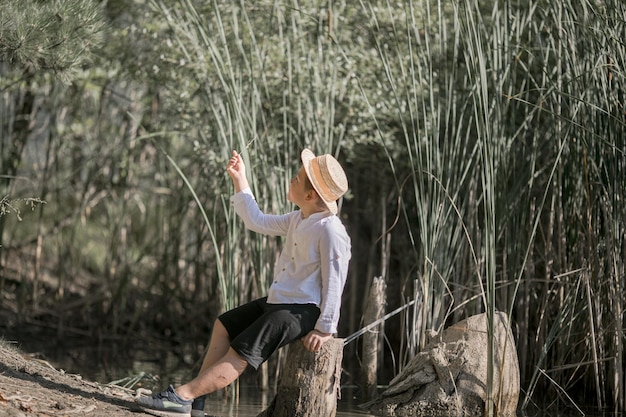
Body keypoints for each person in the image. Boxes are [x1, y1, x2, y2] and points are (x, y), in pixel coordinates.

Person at [136, 148, 351, 417]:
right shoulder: (299, 218)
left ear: (309, 195)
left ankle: (181, 397)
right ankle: (197, 404)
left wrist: (325, 328)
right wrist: (240, 180)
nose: (291, 180)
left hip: (300, 310)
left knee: (240, 353)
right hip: (280, 301)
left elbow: (335, 278)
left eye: (296, 179)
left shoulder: (330, 230)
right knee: (224, 324)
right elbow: (256, 220)